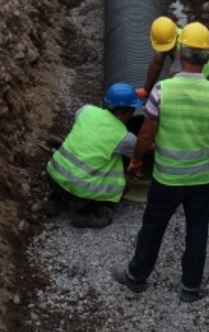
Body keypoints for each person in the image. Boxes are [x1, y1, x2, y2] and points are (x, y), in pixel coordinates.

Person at [113, 21, 209, 303]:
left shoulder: (162, 92)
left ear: (180, 54)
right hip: (202, 180)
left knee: (153, 226)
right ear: (206, 57)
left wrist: (136, 162)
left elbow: (145, 135)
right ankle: (190, 288)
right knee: (197, 231)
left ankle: (137, 277)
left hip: (167, 178)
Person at [45, 82, 143, 228]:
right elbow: (141, 150)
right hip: (79, 191)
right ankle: (85, 214)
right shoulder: (125, 138)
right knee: (127, 179)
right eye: (132, 110)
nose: (133, 113)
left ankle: (56, 200)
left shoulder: (86, 110)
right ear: (124, 112)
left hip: (52, 176)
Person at [137, 16, 209, 98]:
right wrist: (146, 90)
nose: (164, 50)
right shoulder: (167, 36)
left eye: (167, 47)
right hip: (197, 77)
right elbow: (156, 63)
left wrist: (159, 98)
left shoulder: (183, 50)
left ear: (176, 37)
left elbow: (172, 82)